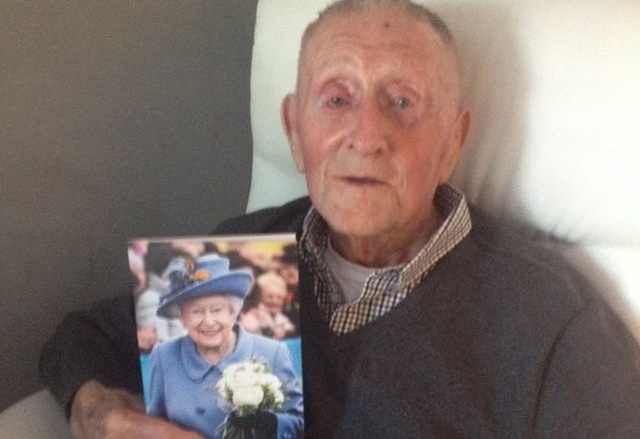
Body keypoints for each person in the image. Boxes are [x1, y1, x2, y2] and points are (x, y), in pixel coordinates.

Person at [39, 1, 640, 438]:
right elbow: (80, 338)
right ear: (295, 133)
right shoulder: (239, 255)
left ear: (454, 141)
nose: (366, 135)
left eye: (401, 102)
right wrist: (95, 408)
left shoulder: (555, 327)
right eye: (336, 99)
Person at [147, 253, 303, 439]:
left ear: (233, 311)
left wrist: (272, 423)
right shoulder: (164, 356)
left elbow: (300, 421)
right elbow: (154, 425)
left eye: (217, 310)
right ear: (182, 317)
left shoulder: (273, 352)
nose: (208, 321)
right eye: (196, 311)